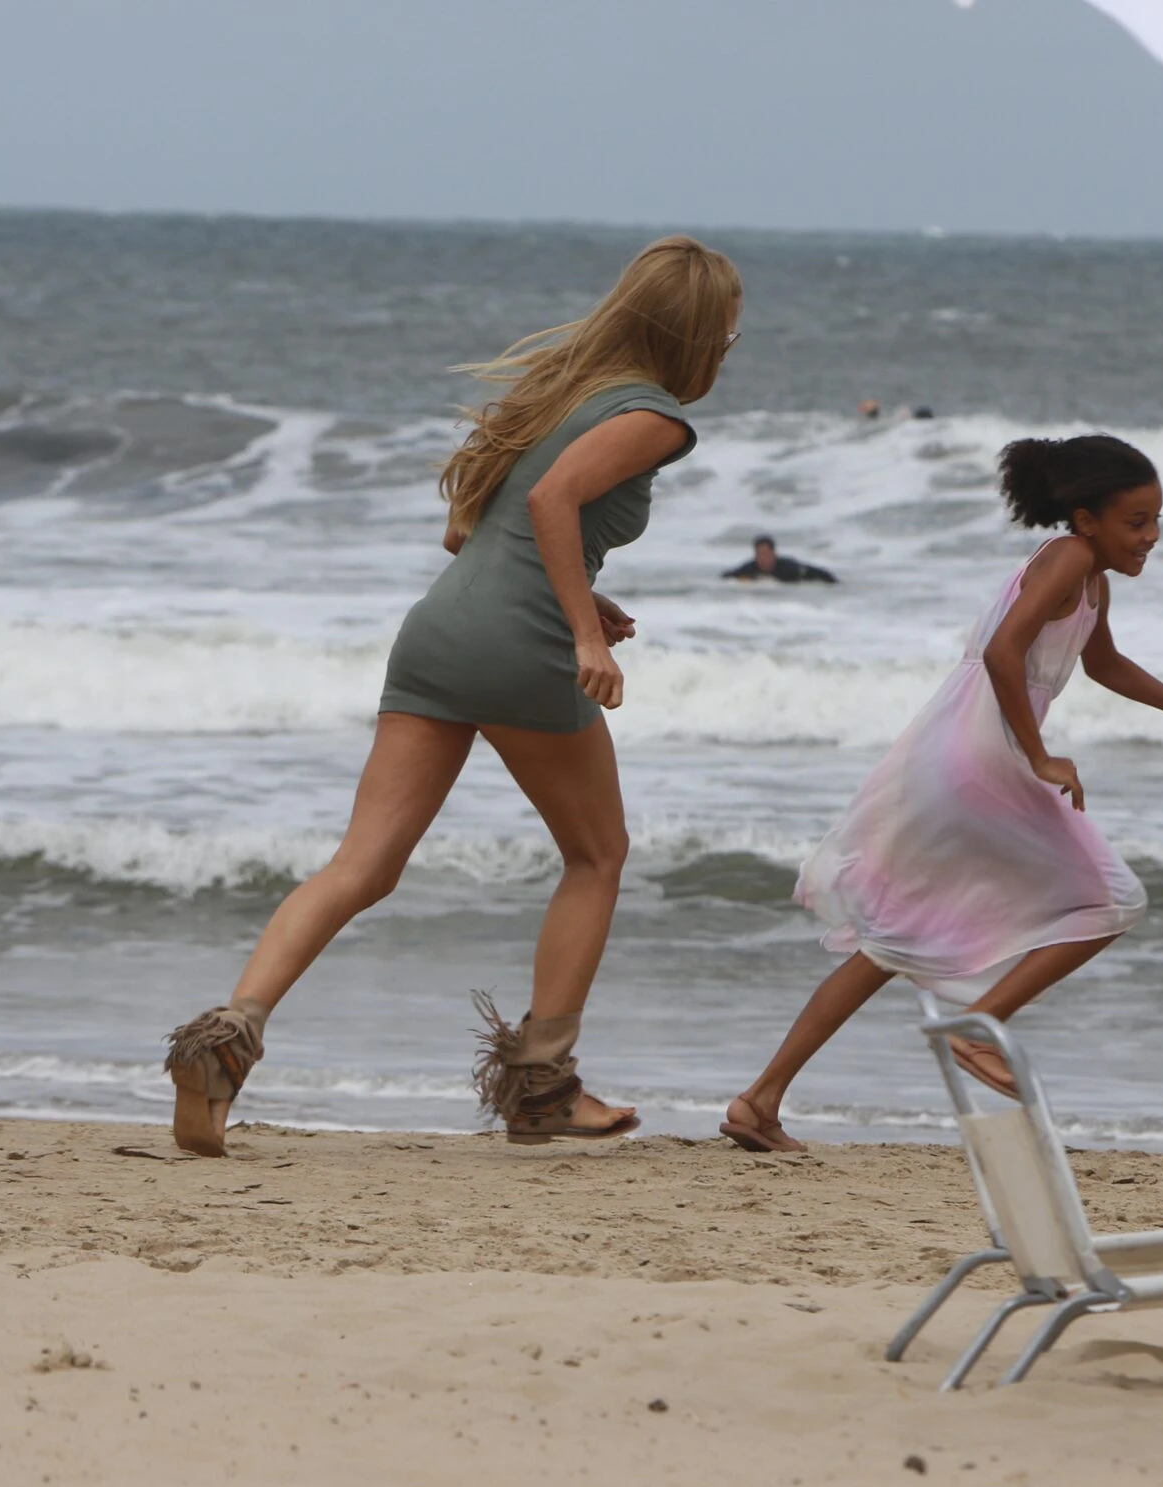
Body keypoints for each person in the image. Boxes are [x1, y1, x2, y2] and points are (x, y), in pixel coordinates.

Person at [159, 236, 743, 1157]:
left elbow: (468, 531)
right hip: (520, 650)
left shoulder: (554, 392)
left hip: (437, 635)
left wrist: (583, 592)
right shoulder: (655, 417)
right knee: (598, 856)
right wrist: (583, 633)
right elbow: (552, 505)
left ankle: (229, 1036)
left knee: (362, 865)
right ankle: (543, 1087)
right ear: (702, 333)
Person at [716, 434, 1163, 1152]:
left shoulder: (1091, 576)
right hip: (981, 754)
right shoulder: (1071, 558)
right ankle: (980, 1027)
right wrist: (1038, 753)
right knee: (1112, 899)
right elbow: (1003, 652)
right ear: (1086, 520)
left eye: (1156, 520)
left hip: (954, 753)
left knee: (887, 941)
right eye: (1136, 521)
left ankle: (759, 1099)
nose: (1151, 536)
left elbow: (1105, 661)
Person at [723, 535, 839, 584]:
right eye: (759, 555)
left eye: (766, 554)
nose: (763, 559)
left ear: (774, 553)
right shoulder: (750, 568)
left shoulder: (788, 568)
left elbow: (821, 574)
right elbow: (727, 576)